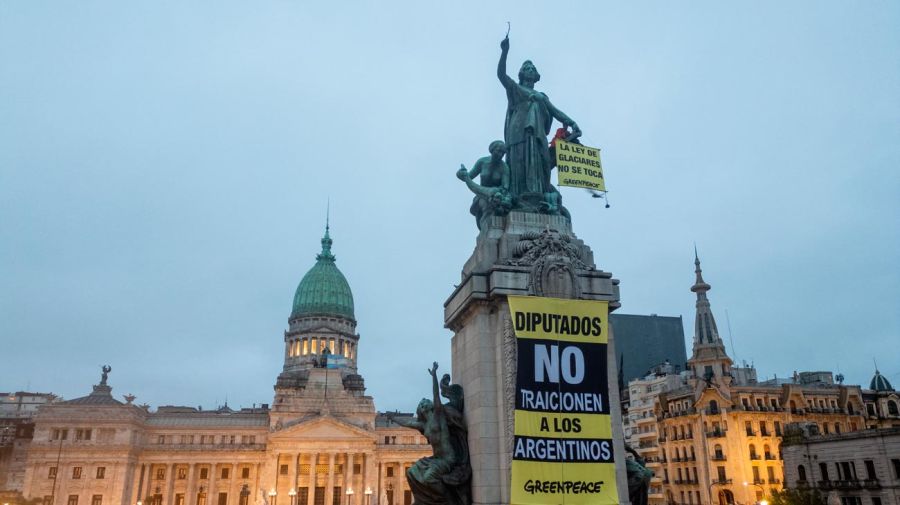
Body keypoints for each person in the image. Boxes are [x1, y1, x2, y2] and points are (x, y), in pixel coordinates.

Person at [497, 36, 581, 206]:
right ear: (521, 73)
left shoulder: (542, 96)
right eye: (526, 68)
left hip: (538, 134)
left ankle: (537, 196)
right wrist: (504, 52)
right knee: (519, 162)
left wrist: (571, 122)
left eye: (532, 68)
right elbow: (501, 75)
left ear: (536, 75)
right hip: (518, 132)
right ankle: (518, 198)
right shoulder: (516, 88)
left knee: (538, 163)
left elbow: (555, 111)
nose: (530, 69)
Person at [456, 141, 512, 228]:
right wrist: (460, 174)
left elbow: (505, 187)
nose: (500, 154)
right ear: (492, 150)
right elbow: (469, 176)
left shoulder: (504, 168)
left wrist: (497, 193)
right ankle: (487, 229)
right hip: (481, 194)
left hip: (496, 195)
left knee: (491, 206)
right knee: (484, 204)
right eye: (498, 151)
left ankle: (491, 228)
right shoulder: (482, 162)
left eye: (503, 153)